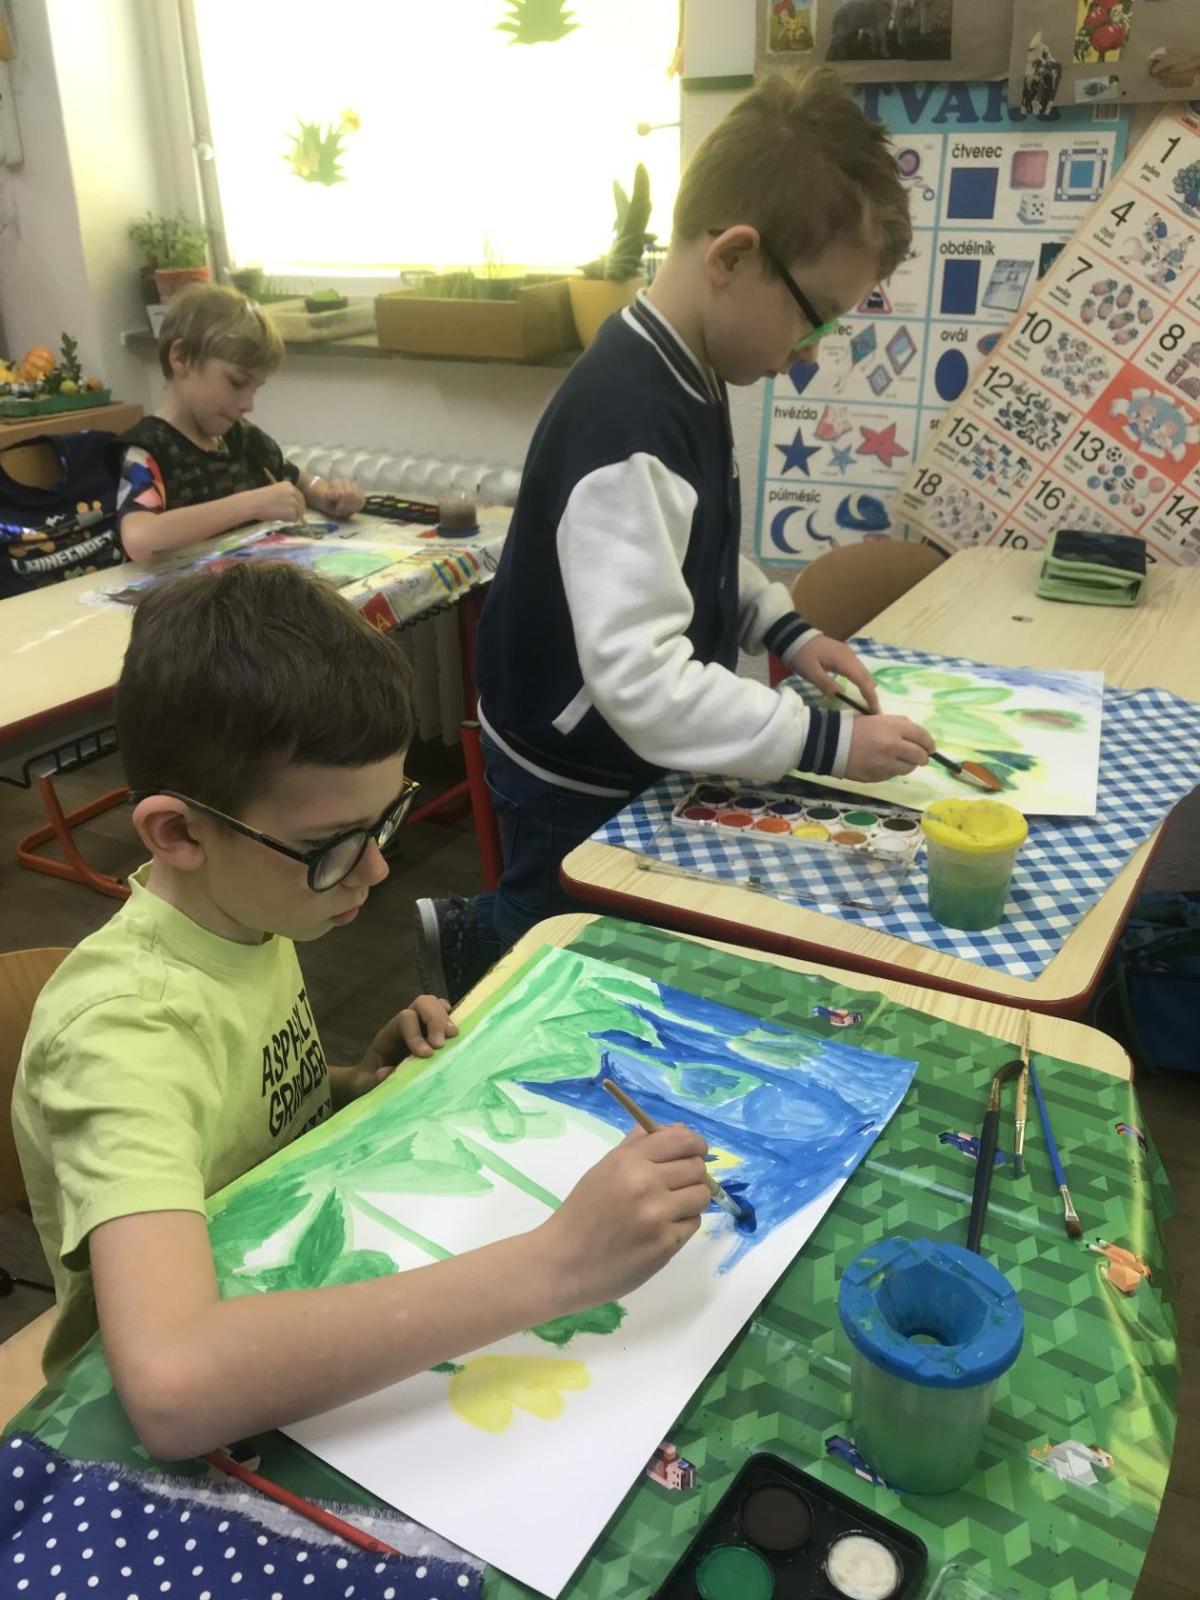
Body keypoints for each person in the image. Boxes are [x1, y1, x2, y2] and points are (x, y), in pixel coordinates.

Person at [13, 561, 712, 1460]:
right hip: (144, 1434)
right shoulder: (120, 1036)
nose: (377, 871)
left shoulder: (245, 913)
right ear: (179, 833)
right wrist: (560, 1262)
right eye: (333, 847)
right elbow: (173, 1389)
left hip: (287, 1279)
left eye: (384, 823)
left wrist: (352, 1083)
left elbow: (231, 1124)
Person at [416, 70, 934, 1002]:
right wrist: (826, 744)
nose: (812, 351)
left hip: (611, 743)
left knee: (604, 932)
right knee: (554, 956)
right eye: (815, 315)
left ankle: (482, 929)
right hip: (569, 767)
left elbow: (697, 548)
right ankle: (483, 947)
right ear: (733, 257)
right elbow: (644, 682)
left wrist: (783, 627)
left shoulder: (687, 370)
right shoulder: (633, 417)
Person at [115, 285, 365, 564]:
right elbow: (139, 537)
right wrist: (250, 504)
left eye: (254, 389)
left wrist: (329, 495)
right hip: (182, 590)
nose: (248, 404)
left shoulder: (242, 438)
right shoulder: (148, 450)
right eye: (237, 382)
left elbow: (298, 481)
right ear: (182, 358)